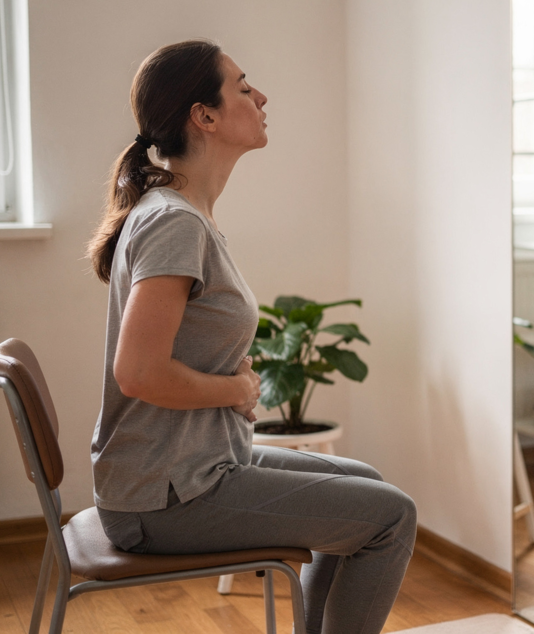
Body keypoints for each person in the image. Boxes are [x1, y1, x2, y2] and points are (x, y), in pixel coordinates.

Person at [85, 39, 416, 634]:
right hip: (166, 499)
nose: (260, 96)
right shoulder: (173, 223)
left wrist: (231, 389)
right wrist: (234, 391)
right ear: (203, 116)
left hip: (186, 472)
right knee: (391, 516)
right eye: (242, 86)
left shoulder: (182, 213)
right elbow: (138, 372)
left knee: (368, 486)